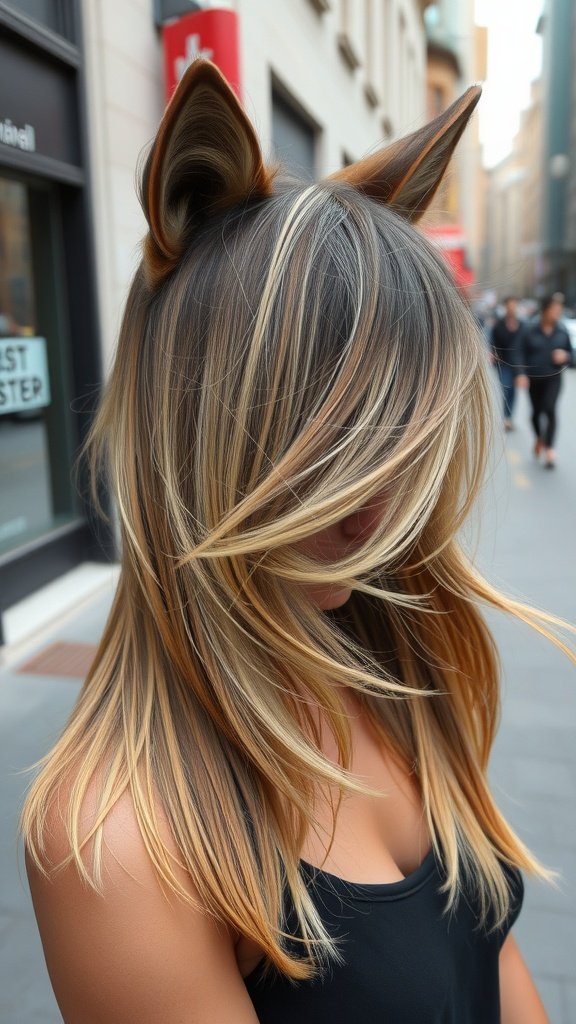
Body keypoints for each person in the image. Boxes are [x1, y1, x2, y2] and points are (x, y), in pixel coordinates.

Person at [21, 61, 565, 1024]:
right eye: (307, 434)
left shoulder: (389, 662)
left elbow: (496, 961)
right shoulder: (116, 834)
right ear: (192, 432)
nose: (378, 499)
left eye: (395, 429)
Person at [515, 295, 573, 468]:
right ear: (545, 310)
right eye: (554, 310)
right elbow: (519, 352)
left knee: (550, 409)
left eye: (559, 310)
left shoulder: (562, 331)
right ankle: (540, 437)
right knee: (536, 412)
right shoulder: (529, 329)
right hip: (534, 379)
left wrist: (566, 356)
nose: (557, 313)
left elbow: (571, 354)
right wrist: (521, 373)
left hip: (554, 378)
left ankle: (549, 449)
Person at [489, 296, 524, 430]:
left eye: (514, 305)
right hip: (503, 362)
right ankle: (506, 417)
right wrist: (493, 353)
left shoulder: (522, 324)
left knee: (513, 391)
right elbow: (493, 342)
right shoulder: (499, 325)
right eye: (510, 305)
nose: (512, 308)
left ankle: (509, 417)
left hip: (518, 364)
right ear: (506, 307)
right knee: (507, 387)